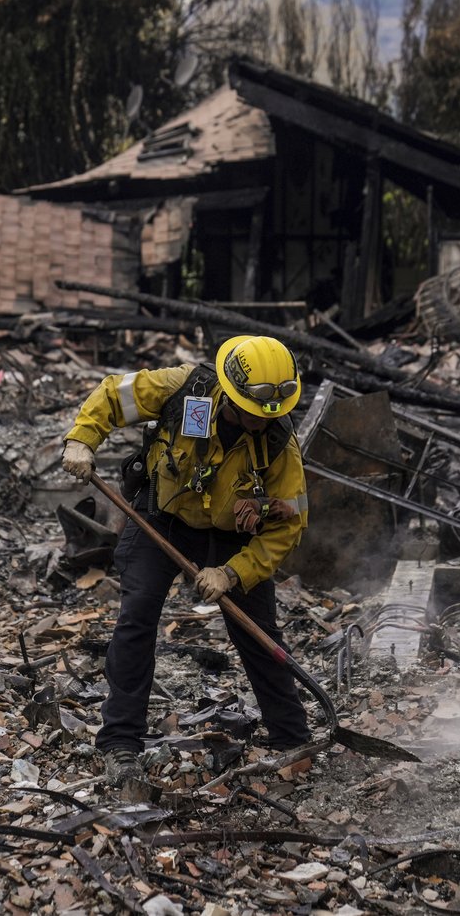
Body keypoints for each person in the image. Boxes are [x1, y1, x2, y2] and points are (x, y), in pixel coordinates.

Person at [61, 335, 312, 787]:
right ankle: (120, 741)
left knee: (259, 632)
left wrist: (233, 573)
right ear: (231, 395)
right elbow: (114, 394)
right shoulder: (185, 390)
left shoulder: (278, 443)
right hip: (164, 517)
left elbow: (288, 524)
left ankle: (293, 739)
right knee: (137, 618)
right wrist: (82, 439)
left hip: (234, 538)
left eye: (270, 414)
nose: (262, 422)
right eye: (254, 412)